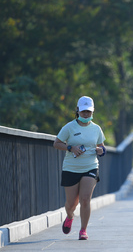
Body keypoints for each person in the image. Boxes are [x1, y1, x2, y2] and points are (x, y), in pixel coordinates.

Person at [53, 96, 106, 240]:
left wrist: (101, 150)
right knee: (71, 204)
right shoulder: (69, 127)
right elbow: (56, 143)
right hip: (71, 168)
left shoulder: (96, 129)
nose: (86, 114)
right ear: (77, 111)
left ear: (93, 111)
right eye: (83, 111)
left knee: (85, 199)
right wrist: (70, 147)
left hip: (90, 166)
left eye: (88, 111)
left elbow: (101, 147)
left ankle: (83, 230)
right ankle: (70, 216)